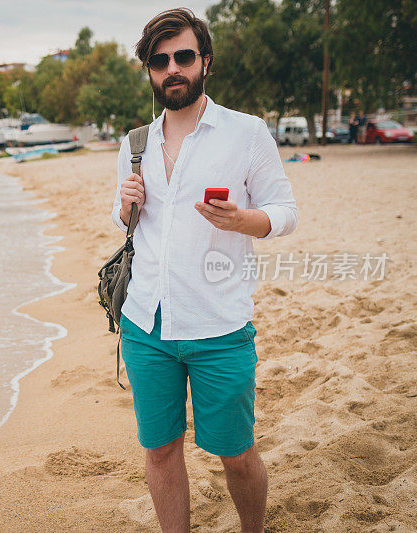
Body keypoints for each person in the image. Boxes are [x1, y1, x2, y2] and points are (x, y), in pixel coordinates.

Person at [111, 8, 298, 532]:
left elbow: (286, 213)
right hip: (146, 325)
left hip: (220, 326)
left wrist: (244, 220)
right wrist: (127, 205)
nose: (173, 68)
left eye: (184, 56)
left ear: (204, 61)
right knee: (161, 452)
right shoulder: (135, 143)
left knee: (236, 455)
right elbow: (126, 222)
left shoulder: (246, 133)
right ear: (150, 70)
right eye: (160, 60)